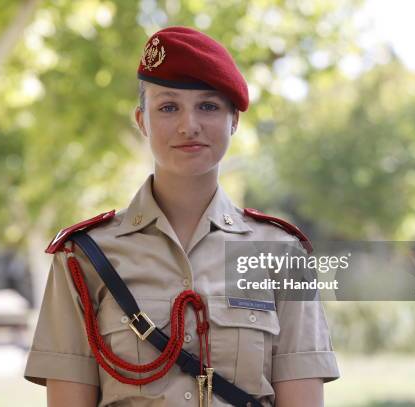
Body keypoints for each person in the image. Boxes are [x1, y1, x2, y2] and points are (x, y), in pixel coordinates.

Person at [24, 26, 340, 406]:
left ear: (234, 120)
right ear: (142, 121)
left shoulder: (281, 253)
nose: (189, 125)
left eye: (208, 106)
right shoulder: (84, 256)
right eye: (168, 107)